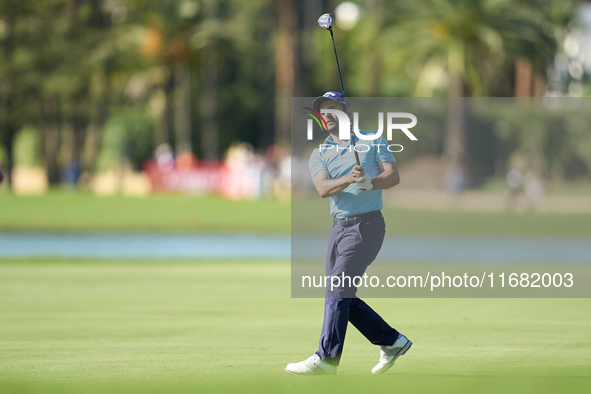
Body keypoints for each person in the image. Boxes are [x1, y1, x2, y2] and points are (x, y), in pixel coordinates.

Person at [285, 92, 412, 376]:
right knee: (340, 293)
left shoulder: (373, 140)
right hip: (337, 230)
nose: (327, 116)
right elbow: (322, 189)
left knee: (338, 289)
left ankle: (327, 358)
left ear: (348, 113)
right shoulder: (319, 153)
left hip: (367, 226)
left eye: (333, 110)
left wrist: (371, 182)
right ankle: (391, 341)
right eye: (323, 112)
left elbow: (392, 175)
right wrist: (348, 178)